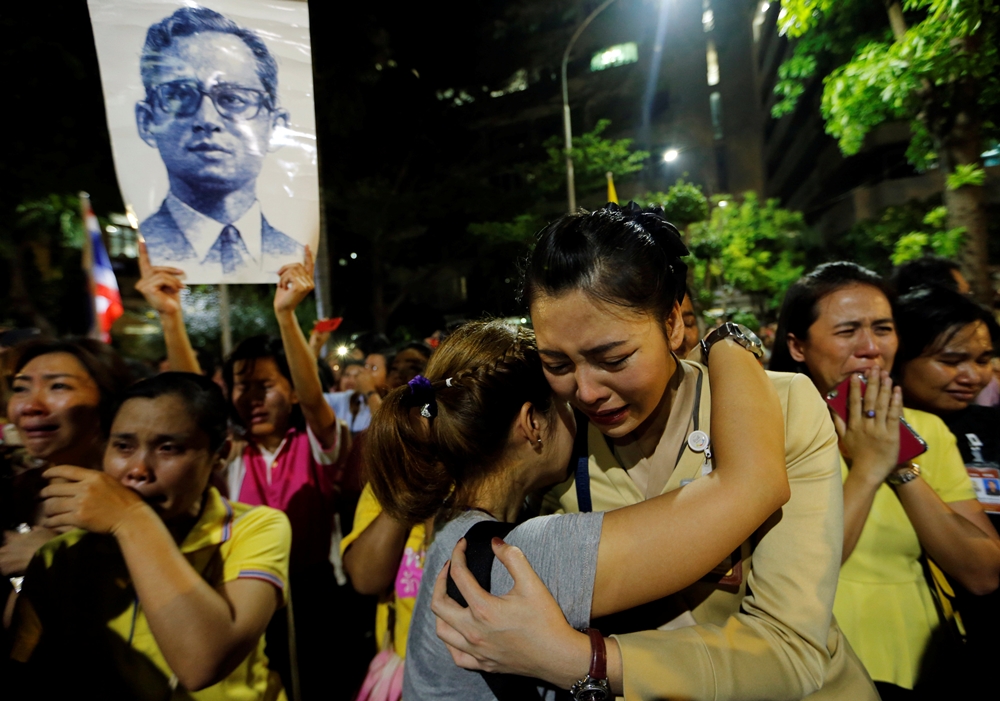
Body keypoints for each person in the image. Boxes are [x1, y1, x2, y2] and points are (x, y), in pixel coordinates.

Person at [427, 203, 877, 700]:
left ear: (672, 324)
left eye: (613, 359)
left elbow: (791, 653)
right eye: (556, 362)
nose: (587, 390)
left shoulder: (782, 407)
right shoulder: (560, 448)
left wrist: (588, 662)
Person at [364, 316, 790, 699]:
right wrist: (727, 343)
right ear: (532, 423)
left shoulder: (452, 523)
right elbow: (752, 484)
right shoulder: (519, 556)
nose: (584, 404)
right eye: (565, 398)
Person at [770, 262, 1000, 698]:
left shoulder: (928, 430)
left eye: (883, 328)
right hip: (823, 668)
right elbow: (805, 569)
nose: (870, 347)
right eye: (847, 331)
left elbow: (983, 573)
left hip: (929, 667)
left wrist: (899, 464)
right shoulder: (772, 430)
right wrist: (870, 468)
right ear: (798, 346)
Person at [6, 372, 291, 700]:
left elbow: (203, 663)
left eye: (169, 448)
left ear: (220, 453)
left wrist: (131, 518)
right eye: (123, 447)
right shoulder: (62, 555)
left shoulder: (255, 527)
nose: (138, 469)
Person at [136, 6, 301, 279]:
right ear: (146, 121)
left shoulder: (293, 254)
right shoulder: (138, 255)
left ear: (276, 127)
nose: (207, 119)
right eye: (179, 95)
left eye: (233, 98)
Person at [1, 339, 132, 626]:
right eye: (21, 389)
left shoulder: (140, 495)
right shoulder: (15, 494)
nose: (31, 406)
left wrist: (55, 557)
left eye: (58, 386)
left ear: (108, 399)